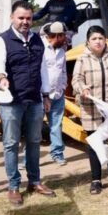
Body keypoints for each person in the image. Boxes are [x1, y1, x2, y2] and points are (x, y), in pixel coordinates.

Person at [0, 0, 56, 206]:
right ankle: (13, 186)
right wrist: (2, 78)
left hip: (34, 100)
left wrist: (46, 95)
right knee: (11, 143)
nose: (25, 22)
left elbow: (43, 69)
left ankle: (34, 182)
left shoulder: (38, 40)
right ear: (12, 17)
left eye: (28, 18)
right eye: (21, 18)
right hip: (11, 102)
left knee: (34, 141)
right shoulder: (2, 40)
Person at [72, 25, 108, 194]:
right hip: (91, 110)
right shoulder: (82, 59)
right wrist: (82, 88)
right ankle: (96, 180)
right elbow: (76, 80)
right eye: (94, 39)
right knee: (94, 145)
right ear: (88, 42)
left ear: (105, 40)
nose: (98, 42)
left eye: (100, 38)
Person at [41, 21, 68, 167]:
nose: (65, 39)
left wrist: (63, 86)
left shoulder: (61, 51)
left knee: (56, 125)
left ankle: (57, 154)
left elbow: (63, 71)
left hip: (57, 95)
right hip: (41, 96)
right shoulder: (40, 48)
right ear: (56, 35)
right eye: (63, 36)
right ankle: (28, 160)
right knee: (34, 129)